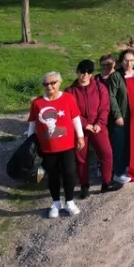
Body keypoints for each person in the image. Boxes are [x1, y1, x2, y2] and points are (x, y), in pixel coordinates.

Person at [26, 71, 85, 218]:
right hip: (47, 148)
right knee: (52, 175)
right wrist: (29, 144)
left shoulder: (68, 98)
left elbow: (76, 118)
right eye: (46, 84)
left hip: (67, 146)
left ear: (59, 83)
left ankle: (70, 202)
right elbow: (32, 124)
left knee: (69, 173)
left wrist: (80, 136)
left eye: (53, 83)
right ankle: (56, 203)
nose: (49, 86)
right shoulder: (37, 103)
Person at [67, 60, 120, 198]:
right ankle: (84, 185)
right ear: (77, 72)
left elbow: (105, 107)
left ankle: (106, 182)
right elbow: (71, 112)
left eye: (89, 72)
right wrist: (85, 124)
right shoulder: (70, 91)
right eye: (82, 71)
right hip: (79, 128)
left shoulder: (99, 87)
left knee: (106, 153)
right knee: (81, 157)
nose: (85, 74)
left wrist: (99, 123)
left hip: (97, 126)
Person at [102, 52, 133, 183]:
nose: (129, 63)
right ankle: (117, 172)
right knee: (119, 144)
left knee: (129, 143)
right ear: (120, 62)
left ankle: (127, 166)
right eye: (126, 60)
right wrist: (117, 115)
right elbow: (111, 97)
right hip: (121, 115)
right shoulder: (116, 76)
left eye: (132, 60)